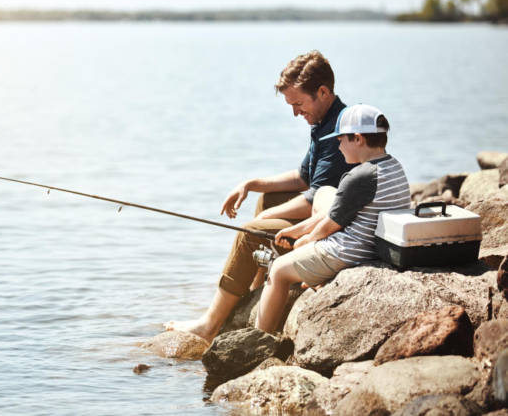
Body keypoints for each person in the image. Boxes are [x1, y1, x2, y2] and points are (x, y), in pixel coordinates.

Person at [164, 50, 356, 342]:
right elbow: (305, 177)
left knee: (252, 230)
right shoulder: (325, 120)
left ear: (323, 91)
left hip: (334, 233)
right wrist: (251, 183)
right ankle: (254, 290)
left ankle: (209, 325)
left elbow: (315, 199)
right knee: (266, 200)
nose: (295, 112)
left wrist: (261, 222)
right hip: (325, 218)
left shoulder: (338, 131)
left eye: (298, 104)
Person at [255, 104, 410, 333]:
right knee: (324, 192)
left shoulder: (359, 177)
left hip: (349, 252)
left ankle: (258, 339)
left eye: (340, 139)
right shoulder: (394, 165)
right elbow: (337, 211)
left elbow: (327, 227)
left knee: (278, 270)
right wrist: (297, 231)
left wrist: (303, 241)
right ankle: (315, 277)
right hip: (373, 244)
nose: (338, 146)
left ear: (357, 139)